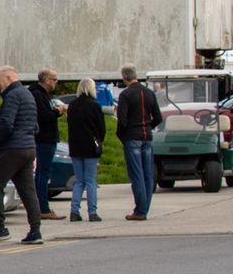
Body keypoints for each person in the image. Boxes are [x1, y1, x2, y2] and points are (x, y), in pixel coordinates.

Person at [0, 66, 43, 245]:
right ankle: (35, 230)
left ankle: (0, 227)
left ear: (8, 78)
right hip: (28, 148)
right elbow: (35, 126)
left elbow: (6, 123)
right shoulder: (28, 95)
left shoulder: (12, 96)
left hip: (12, 148)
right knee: (28, 191)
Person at [114, 65, 163, 221]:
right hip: (146, 136)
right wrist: (148, 127)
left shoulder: (125, 95)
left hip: (132, 136)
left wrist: (122, 136)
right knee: (148, 175)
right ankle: (144, 208)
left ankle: (140, 210)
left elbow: (122, 121)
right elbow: (158, 117)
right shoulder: (149, 93)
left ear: (124, 77)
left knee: (137, 175)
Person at [65, 78, 107, 222]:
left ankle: (74, 211)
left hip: (75, 147)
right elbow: (102, 129)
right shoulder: (94, 106)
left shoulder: (72, 106)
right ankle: (92, 212)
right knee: (90, 181)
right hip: (90, 147)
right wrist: (99, 139)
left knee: (79, 181)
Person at [29, 68, 63, 219]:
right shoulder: (38, 94)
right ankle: (43, 208)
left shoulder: (42, 95)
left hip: (45, 138)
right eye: (55, 79)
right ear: (47, 80)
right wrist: (57, 112)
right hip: (44, 139)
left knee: (42, 173)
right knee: (43, 173)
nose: (56, 83)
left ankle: (40, 206)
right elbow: (42, 117)